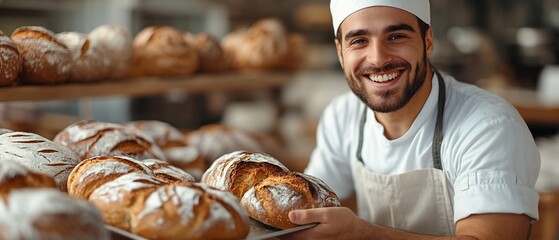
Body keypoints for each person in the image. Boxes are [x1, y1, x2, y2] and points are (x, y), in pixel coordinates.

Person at [285, 0, 541, 239]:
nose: (378, 58)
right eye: (359, 40)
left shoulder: (487, 126)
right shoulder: (342, 118)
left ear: (428, 41)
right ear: (340, 52)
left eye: (396, 37)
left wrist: (363, 233)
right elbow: (305, 208)